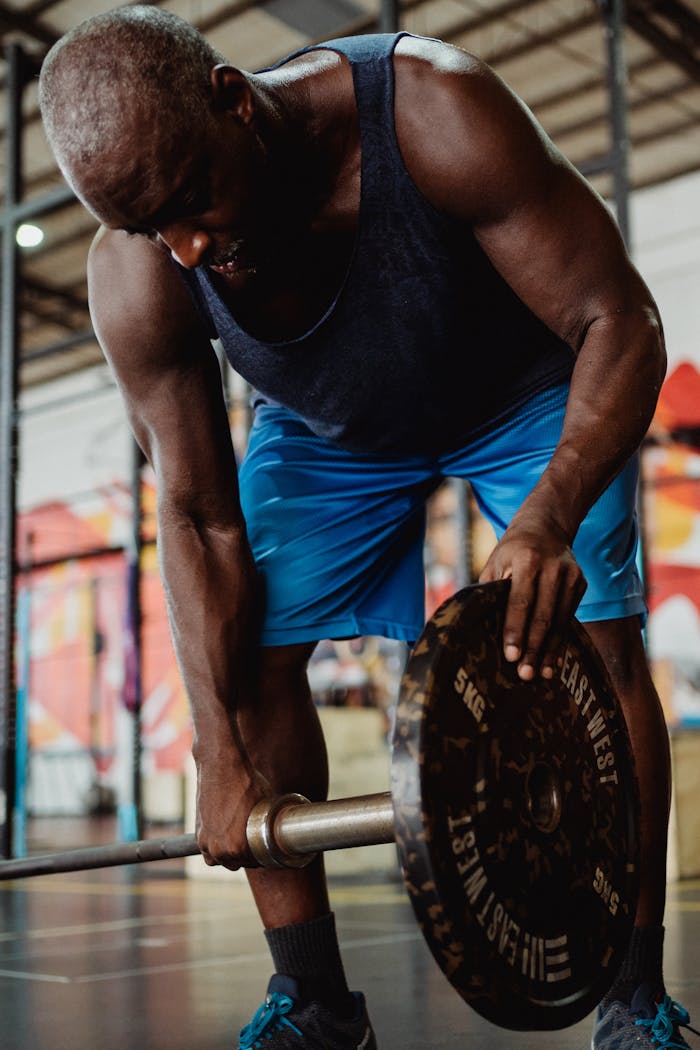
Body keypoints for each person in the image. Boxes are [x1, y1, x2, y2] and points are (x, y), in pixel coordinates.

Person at [37, 7, 694, 1048]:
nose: (188, 245)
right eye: (150, 227)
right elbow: (200, 516)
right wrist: (215, 750)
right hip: (328, 430)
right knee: (241, 655)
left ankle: (633, 994)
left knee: (596, 643)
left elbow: (621, 321)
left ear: (233, 99)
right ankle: (316, 1004)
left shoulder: (431, 110)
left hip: (522, 392)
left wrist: (551, 512)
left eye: (192, 199)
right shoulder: (146, 269)